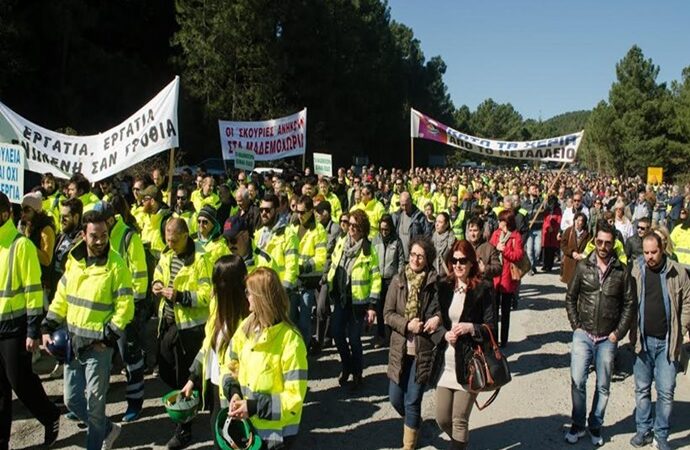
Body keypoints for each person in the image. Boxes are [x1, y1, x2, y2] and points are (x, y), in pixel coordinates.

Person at [42, 210, 134, 450]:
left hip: (98, 348)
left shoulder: (116, 264)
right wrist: (48, 324)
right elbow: (62, 295)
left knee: (95, 405)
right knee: (71, 401)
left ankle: (96, 442)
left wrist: (109, 336)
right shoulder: (74, 260)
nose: (101, 240)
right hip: (74, 343)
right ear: (83, 235)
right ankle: (108, 429)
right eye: (95, 236)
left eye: (104, 235)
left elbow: (125, 306)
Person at [564, 221, 635, 446]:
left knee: (603, 385)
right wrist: (576, 325)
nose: (603, 246)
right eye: (600, 242)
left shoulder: (622, 272)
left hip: (607, 337)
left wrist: (617, 334)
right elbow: (570, 297)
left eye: (608, 243)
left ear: (614, 244)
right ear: (595, 241)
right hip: (583, 333)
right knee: (577, 380)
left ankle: (595, 425)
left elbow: (629, 304)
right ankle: (578, 425)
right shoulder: (584, 266)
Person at [0, 192, 61, 450]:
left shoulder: (20, 245)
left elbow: (33, 291)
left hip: (15, 328)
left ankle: (50, 415)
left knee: (20, 382)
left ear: (4, 214)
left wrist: (33, 330)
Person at [223, 268, 308, 450]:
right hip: (249, 429)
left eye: (249, 292)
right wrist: (234, 392)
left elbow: (294, 398)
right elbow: (229, 361)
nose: (246, 296)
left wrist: (253, 407)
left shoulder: (291, 341)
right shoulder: (247, 325)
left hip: (276, 437)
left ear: (262, 298)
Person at [153, 218, 213, 449]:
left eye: (175, 241)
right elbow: (159, 270)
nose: (171, 244)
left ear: (186, 236)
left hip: (189, 329)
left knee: (183, 378)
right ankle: (194, 400)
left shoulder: (202, 258)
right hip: (167, 324)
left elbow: (207, 294)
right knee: (166, 371)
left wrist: (181, 296)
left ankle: (184, 429)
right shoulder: (167, 253)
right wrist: (157, 283)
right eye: (168, 240)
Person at [628, 233, 690, 450]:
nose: (650, 257)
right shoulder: (636, 270)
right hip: (642, 342)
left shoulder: (677, 272)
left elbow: (687, 303)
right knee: (642, 389)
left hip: (667, 343)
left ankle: (661, 435)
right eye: (646, 253)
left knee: (666, 391)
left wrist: (681, 330)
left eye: (653, 252)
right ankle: (643, 430)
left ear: (662, 249)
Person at [181, 255, 249, 449]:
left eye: (216, 284)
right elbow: (207, 346)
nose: (212, 290)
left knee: (231, 441)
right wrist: (192, 378)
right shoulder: (217, 307)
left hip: (233, 394)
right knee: (218, 435)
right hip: (213, 386)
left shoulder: (247, 322)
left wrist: (236, 394)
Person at [434, 240, 494, 450]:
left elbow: (491, 328)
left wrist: (471, 328)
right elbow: (438, 318)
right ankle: (461, 442)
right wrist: (442, 331)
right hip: (446, 363)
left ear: (471, 264)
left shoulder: (483, 289)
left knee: (459, 419)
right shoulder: (444, 286)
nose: (458, 265)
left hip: (469, 362)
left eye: (463, 261)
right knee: (442, 418)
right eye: (454, 260)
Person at [384, 237, 441, 450]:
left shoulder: (435, 282)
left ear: (427, 260)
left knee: (413, 399)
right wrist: (408, 325)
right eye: (413, 254)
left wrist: (437, 319)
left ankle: (409, 445)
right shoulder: (398, 280)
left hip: (423, 349)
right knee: (395, 399)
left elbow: (442, 310)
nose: (416, 259)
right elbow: (387, 314)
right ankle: (414, 423)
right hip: (400, 348)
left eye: (421, 256)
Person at [95, 199, 149, 422]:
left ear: (110, 219)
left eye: (99, 224)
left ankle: (135, 403)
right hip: (103, 308)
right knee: (100, 358)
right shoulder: (99, 237)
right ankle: (92, 409)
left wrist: (133, 308)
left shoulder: (128, 237)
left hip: (125, 309)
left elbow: (139, 273)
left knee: (130, 357)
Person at [327, 209, 381, 391]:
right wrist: (329, 282)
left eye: (356, 226)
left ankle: (357, 372)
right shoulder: (342, 243)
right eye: (350, 225)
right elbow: (334, 264)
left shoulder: (368, 249)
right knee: (336, 333)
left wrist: (372, 305)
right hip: (341, 300)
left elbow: (375, 278)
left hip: (359, 303)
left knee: (354, 339)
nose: (352, 229)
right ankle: (346, 365)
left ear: (363, 229)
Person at [293, 195, 327, 344]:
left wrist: (304, 266)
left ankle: (305, 351)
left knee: (304, 322)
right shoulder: (293, 226)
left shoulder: (318, 230)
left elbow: (320, 258)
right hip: (292, 280)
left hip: (307, 281)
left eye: (302, 212)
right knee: (291, 319)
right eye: (297, 212)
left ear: (311, 211)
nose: (299, 215)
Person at [489, 209, 524, 347]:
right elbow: (489, 249)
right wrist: (496, 248)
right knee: (493, 311)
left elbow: (518, 255)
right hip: (496, 277)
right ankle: (494, 339)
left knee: (505, 311)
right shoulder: (496, 234)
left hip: (508, 278)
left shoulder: (516, 236)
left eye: (501, 220)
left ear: (507, 222)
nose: (499, 222)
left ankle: (504, 339)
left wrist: (505, 251)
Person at [253, 193, 299, 292]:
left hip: (280, 289)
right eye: (261, 210)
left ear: (277, 210)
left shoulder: (288, 234)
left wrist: (284, 289)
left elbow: (292, 266)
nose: (263, 213)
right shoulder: (258, 234)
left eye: (267, 210)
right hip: (261, 289)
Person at [372, 214, 405, 348]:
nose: (384, 232)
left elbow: (401, 260)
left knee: (392, 310)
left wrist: (399, 277)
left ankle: (393, 336)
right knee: (379, 310)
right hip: (378, 279)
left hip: (392, 280)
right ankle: (381, 335)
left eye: (386, 229)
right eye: (382, 229)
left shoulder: (397, 241)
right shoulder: (375, 240)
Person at [21, 191, 56, 303]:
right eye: (22, 210)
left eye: (27, 210)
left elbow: (47, 260)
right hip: (28, 278)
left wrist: (27, 243)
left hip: (41, 283)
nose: (23, 214)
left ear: (36, 211)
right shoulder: (28, 225)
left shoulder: (46, 229)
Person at [393, 192, 429, 262]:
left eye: (407, 205)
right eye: (402, 205)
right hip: (400, 258)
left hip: (415, 258)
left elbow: (427, 236)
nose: (405, 208)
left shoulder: (420, 217)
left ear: (411, 202)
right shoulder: (397, 216)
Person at [560, 213, 590, 286]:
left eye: (580, 220)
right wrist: (572, 252)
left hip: (581, 263)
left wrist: (583, 255)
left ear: (583, 223)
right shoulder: (568, 231)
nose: (578, 222)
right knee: (570, 286)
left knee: (580, 285)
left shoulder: (587, 234)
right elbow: (563, 245)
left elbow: (590, 247)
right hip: (570, 262)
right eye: (576, 219)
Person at [541, 194, 562, 272]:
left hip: (554, 231)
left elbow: (559, 219)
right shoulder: (547, 209)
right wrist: (548, 226)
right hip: (546, 230)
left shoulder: (558, 209)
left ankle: (549, 265)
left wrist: (554, 228)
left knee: (552, 249)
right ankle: (544, 264)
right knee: (545, 249)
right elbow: (545, 219)